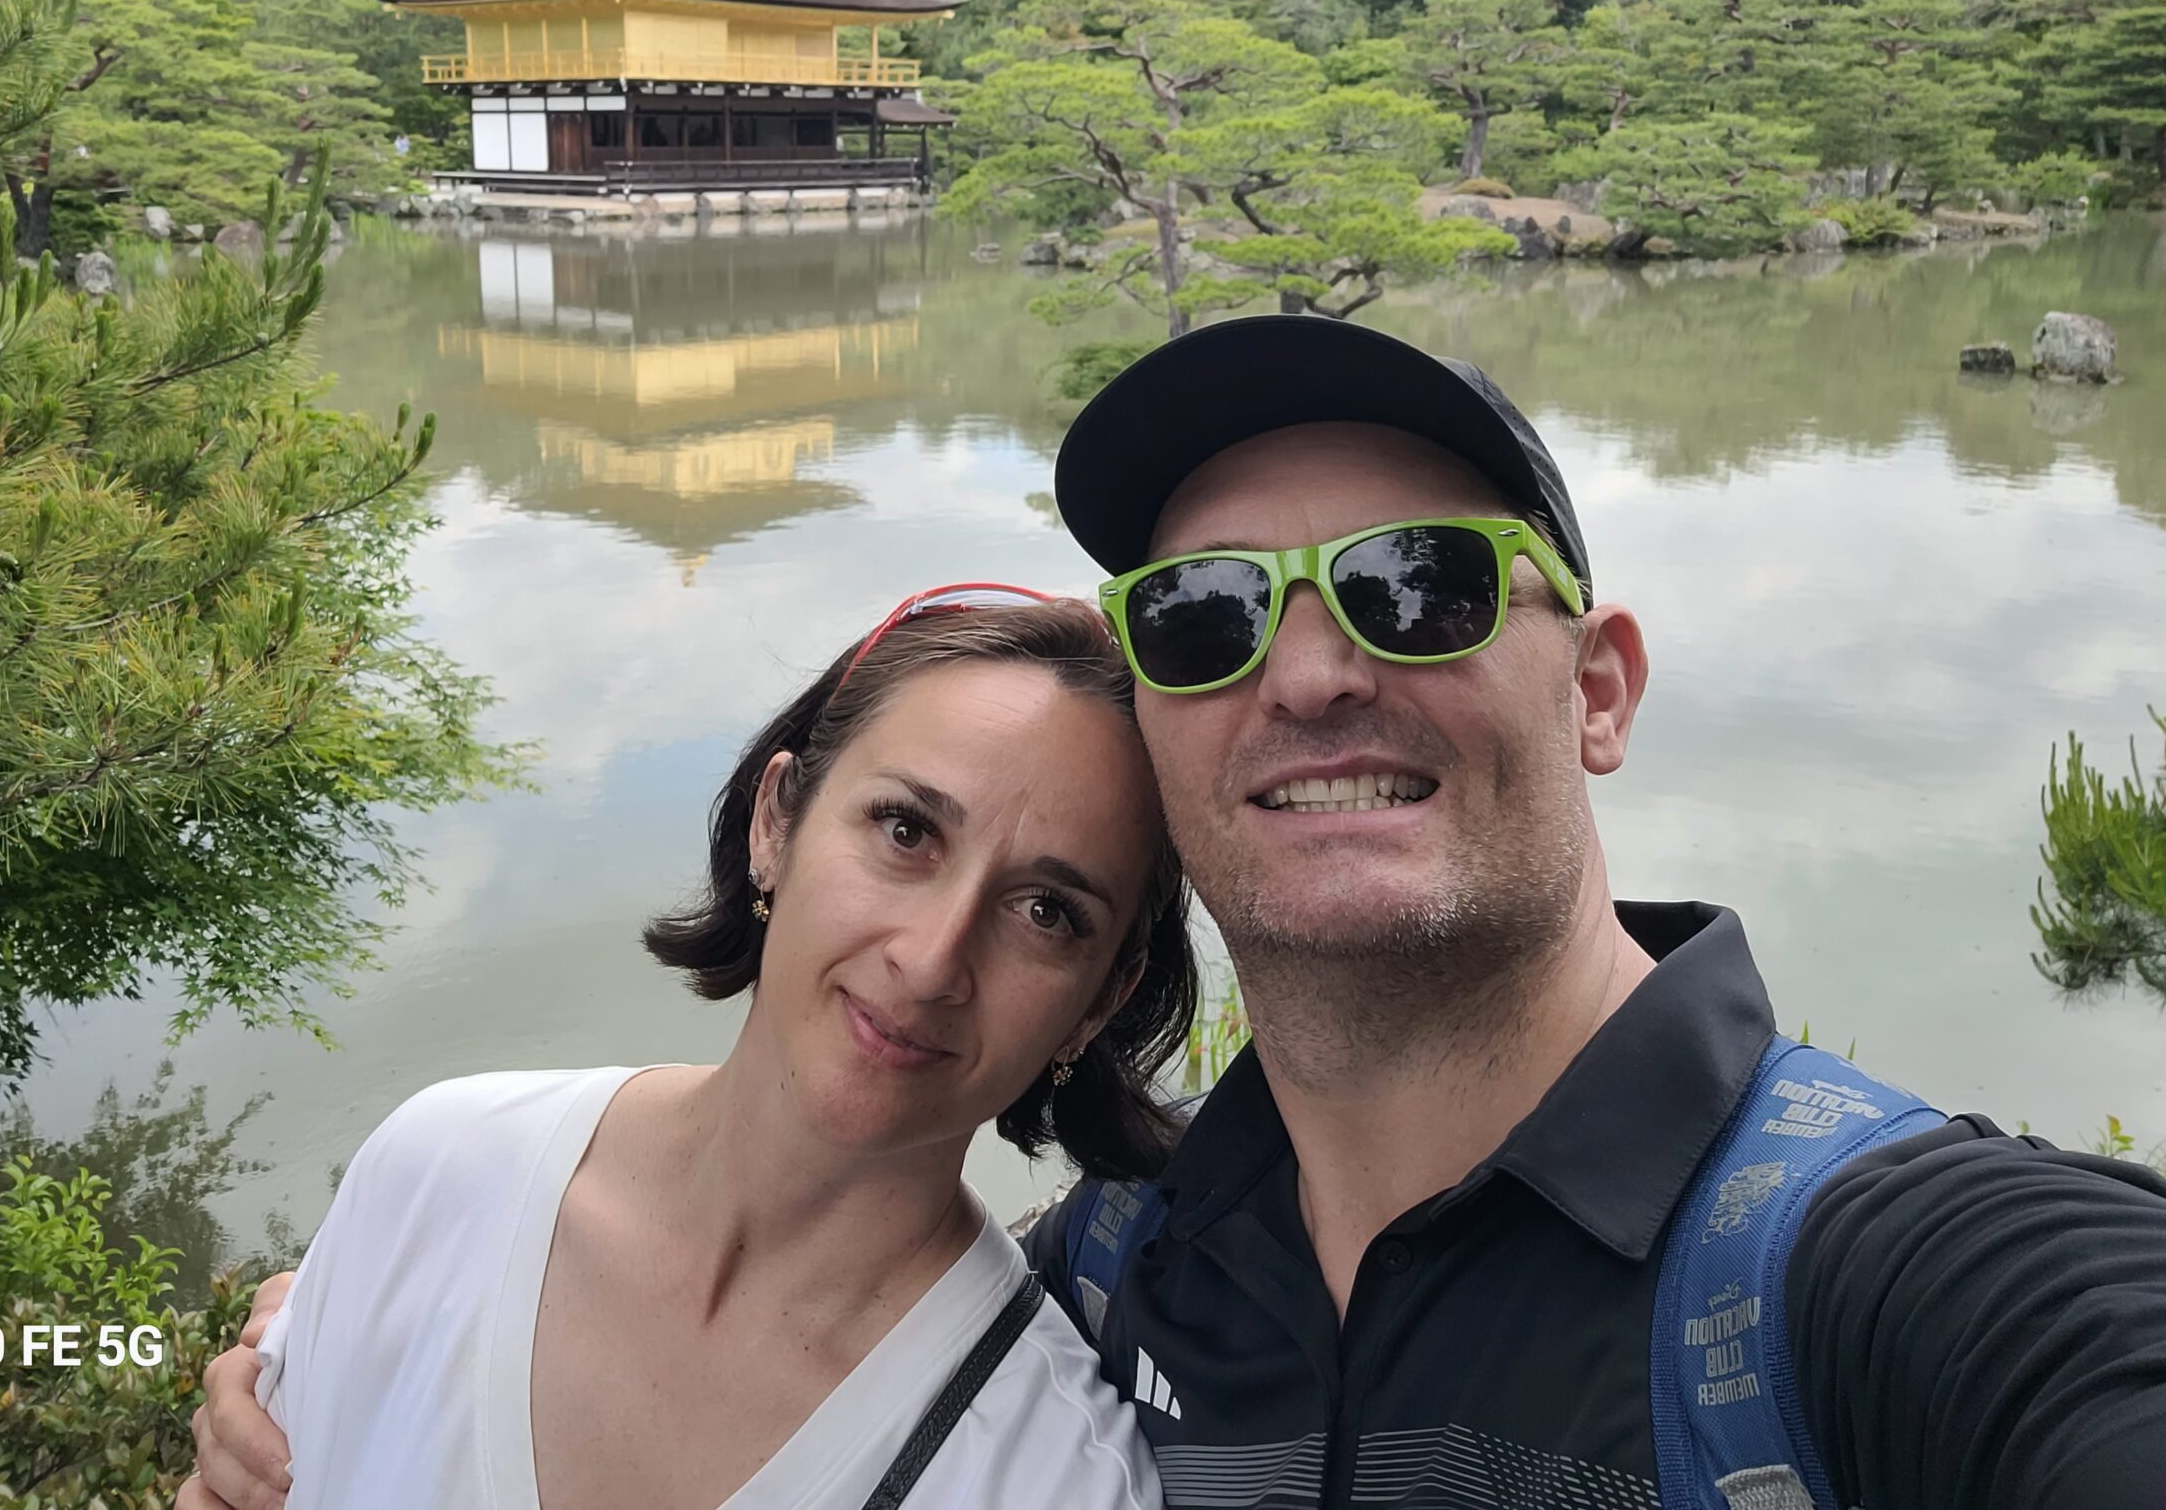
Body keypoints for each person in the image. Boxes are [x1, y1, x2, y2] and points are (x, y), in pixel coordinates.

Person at [190, 317, 2166, 1508]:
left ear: (1599, 687)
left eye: (1417, 585)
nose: (1305, 677)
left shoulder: (1877, 1280)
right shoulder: (1110, 1294)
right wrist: (341, 1352)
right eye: (1206, 618)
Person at [200, 593, 1197, 1509]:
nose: (933, 961)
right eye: (904, 830)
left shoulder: (1051, 1476)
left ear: (1096, 1002)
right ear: (778, 822)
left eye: (1047, 911)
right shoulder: (439, 1177)